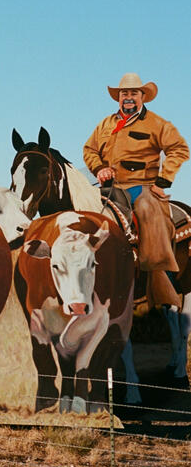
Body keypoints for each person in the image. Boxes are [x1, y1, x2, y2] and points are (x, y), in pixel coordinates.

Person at [83, 73, 189, 306]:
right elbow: (89, 150)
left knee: (148, 210)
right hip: (109, 188)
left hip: (143, 186)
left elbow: (180, 149)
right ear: (118, 98)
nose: (128, 98)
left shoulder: (157, 124)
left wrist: (163, 181)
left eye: (133, 93)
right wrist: (99, 167)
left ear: (143, 97)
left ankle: (162, 281)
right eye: (124, 94)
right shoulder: (105, 124)